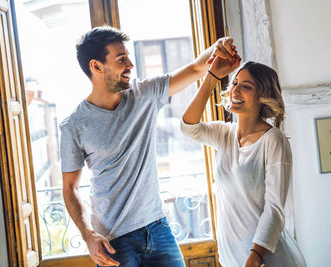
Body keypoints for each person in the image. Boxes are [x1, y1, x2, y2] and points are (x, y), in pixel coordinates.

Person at [59, 26, 237, 267]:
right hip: (114, 241)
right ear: (96, 66)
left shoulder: (145, 94)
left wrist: (218, 47)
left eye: (128, 57)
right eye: (121, 59)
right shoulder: (74, 125)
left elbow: (196, 67)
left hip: (158, 228)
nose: (130, 64)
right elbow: (70, 188)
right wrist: (88, 234)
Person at [181, 59, 307, 267]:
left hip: (263, 256)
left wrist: (255, 256)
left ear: (263, 96)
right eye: (234, 83)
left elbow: (274, 207)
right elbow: (188, 126)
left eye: (246, 86)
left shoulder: (273, 139)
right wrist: (212, 76)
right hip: (231, 256)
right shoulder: (223, 133)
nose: (235, 90)